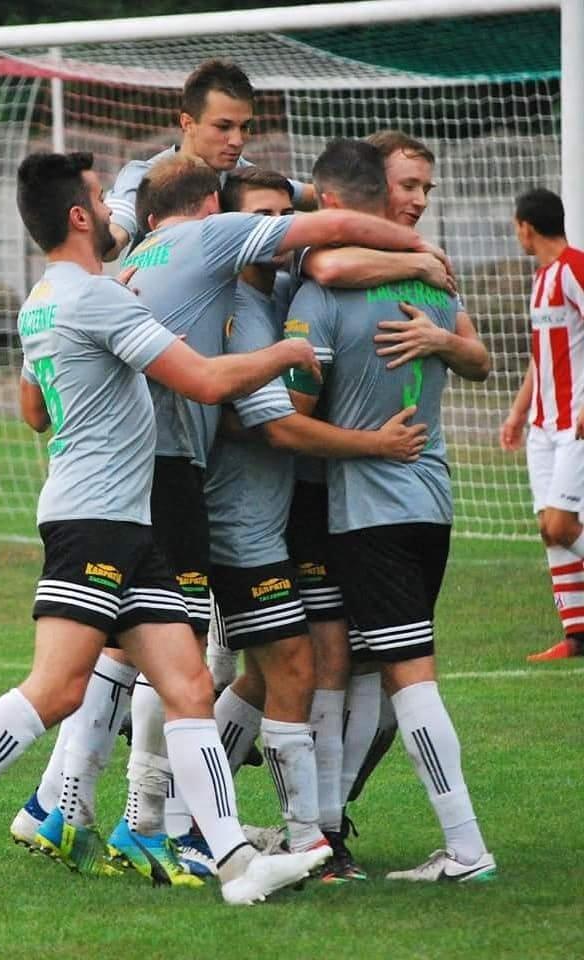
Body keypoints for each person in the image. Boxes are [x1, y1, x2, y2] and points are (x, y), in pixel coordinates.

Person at [0, 151, 332, 908]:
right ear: (81, 216)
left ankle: (235, 866)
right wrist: (282, 352)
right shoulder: (98, 300)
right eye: (101, 197)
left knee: (188, 686)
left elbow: (34, 411)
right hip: (93, 521)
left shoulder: (46, 298)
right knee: (55, 689)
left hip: (126, 518)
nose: (118, 211)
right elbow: (206, 381)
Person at [204, 166, 428, 883]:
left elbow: (328, 254)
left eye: (283, 214)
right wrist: (375, 444)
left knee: (279, 673)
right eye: (259, 217)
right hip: (247, 519)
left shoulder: (282, 283)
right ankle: (296, 834)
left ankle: (212, 822)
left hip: (296, 510)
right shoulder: (239, 304)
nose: (275, 229)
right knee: (292, 667)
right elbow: (275, 428)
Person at [285, 137, 495, 883]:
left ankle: (465, 848)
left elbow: (292, 418)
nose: (419, 200)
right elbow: (477, 357)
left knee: (406, 680)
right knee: (370, 674)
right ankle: (326, 831)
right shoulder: (434, 285)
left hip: (370, 513)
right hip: (432, 504)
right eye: (409, 187)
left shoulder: (321, 296)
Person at [104, 58, 316, 261]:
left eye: (244, 127)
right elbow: (113, 238)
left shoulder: (244, 177)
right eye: (223, 127)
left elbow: (315, 195)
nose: (237, 140)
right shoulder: (145, 177)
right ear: (187, 123)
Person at [501, 188, 584, 661]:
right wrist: (518, 412)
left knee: (562, 523)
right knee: (548, 530)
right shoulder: (541, 279)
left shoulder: (574, 268)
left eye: (516, 227)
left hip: (575, 423)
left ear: (526, 227)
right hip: (543, 425)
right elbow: (542, 356)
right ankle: (577, 634)